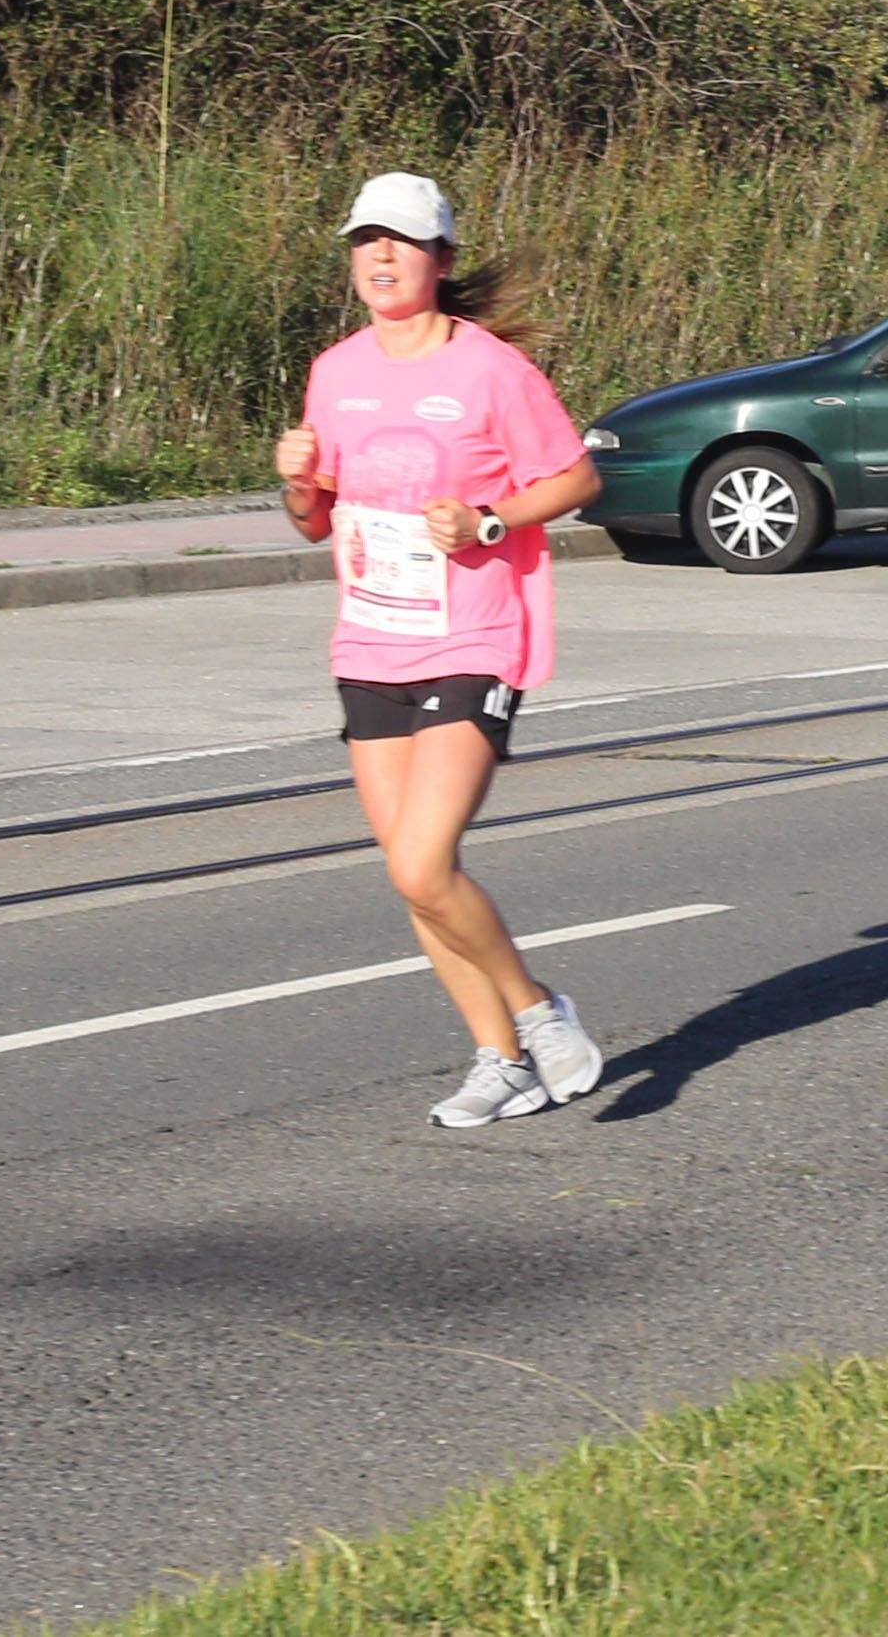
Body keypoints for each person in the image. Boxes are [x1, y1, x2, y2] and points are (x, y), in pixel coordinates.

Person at [275, 172, 610, 1125]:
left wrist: (488, 522)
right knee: (412, 880)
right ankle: (498, 1060)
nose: (380, 257)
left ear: (441, 260)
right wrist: (296, 484)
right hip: (372, 641)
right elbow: (314, 523)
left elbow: (575, 476)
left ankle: (541, 1015)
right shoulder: (335, 372)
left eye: (402, 241)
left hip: (475, 636)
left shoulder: (489, 370)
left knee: (424, 865)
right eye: (365, 240)